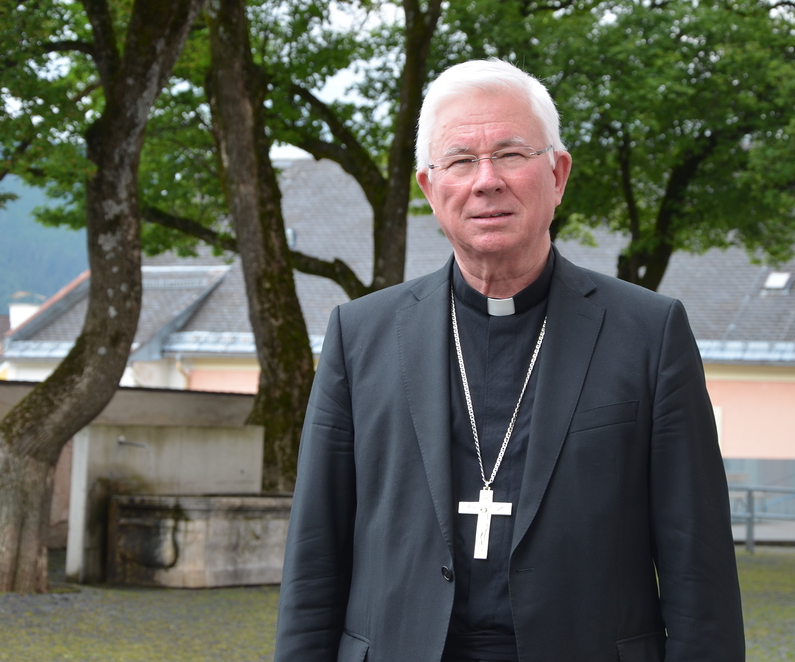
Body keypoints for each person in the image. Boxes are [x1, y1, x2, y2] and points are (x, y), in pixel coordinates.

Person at [274, 59, 744, 662]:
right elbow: (314, 558)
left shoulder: (649, 334)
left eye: (512, 154)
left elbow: (698, 572)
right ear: (429, 186)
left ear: (558, 174)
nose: (486, 180)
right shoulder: (359, 335)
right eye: (461, 160)